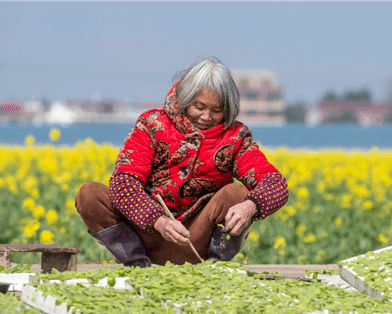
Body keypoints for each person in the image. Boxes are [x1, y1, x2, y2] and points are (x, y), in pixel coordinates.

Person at [75, 56, 288, 267]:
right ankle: (137, 265)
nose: (206, 117)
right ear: (185, 98)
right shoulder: (151, 125)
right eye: (199, 107)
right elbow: (123, 185)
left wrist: (251, 206)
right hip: (147, 234)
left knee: (237, 195)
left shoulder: (235, 137)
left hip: (197, 242)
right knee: (90, 195)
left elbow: (276, 184)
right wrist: (158, 220)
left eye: (217, 110)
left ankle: (215, 267)